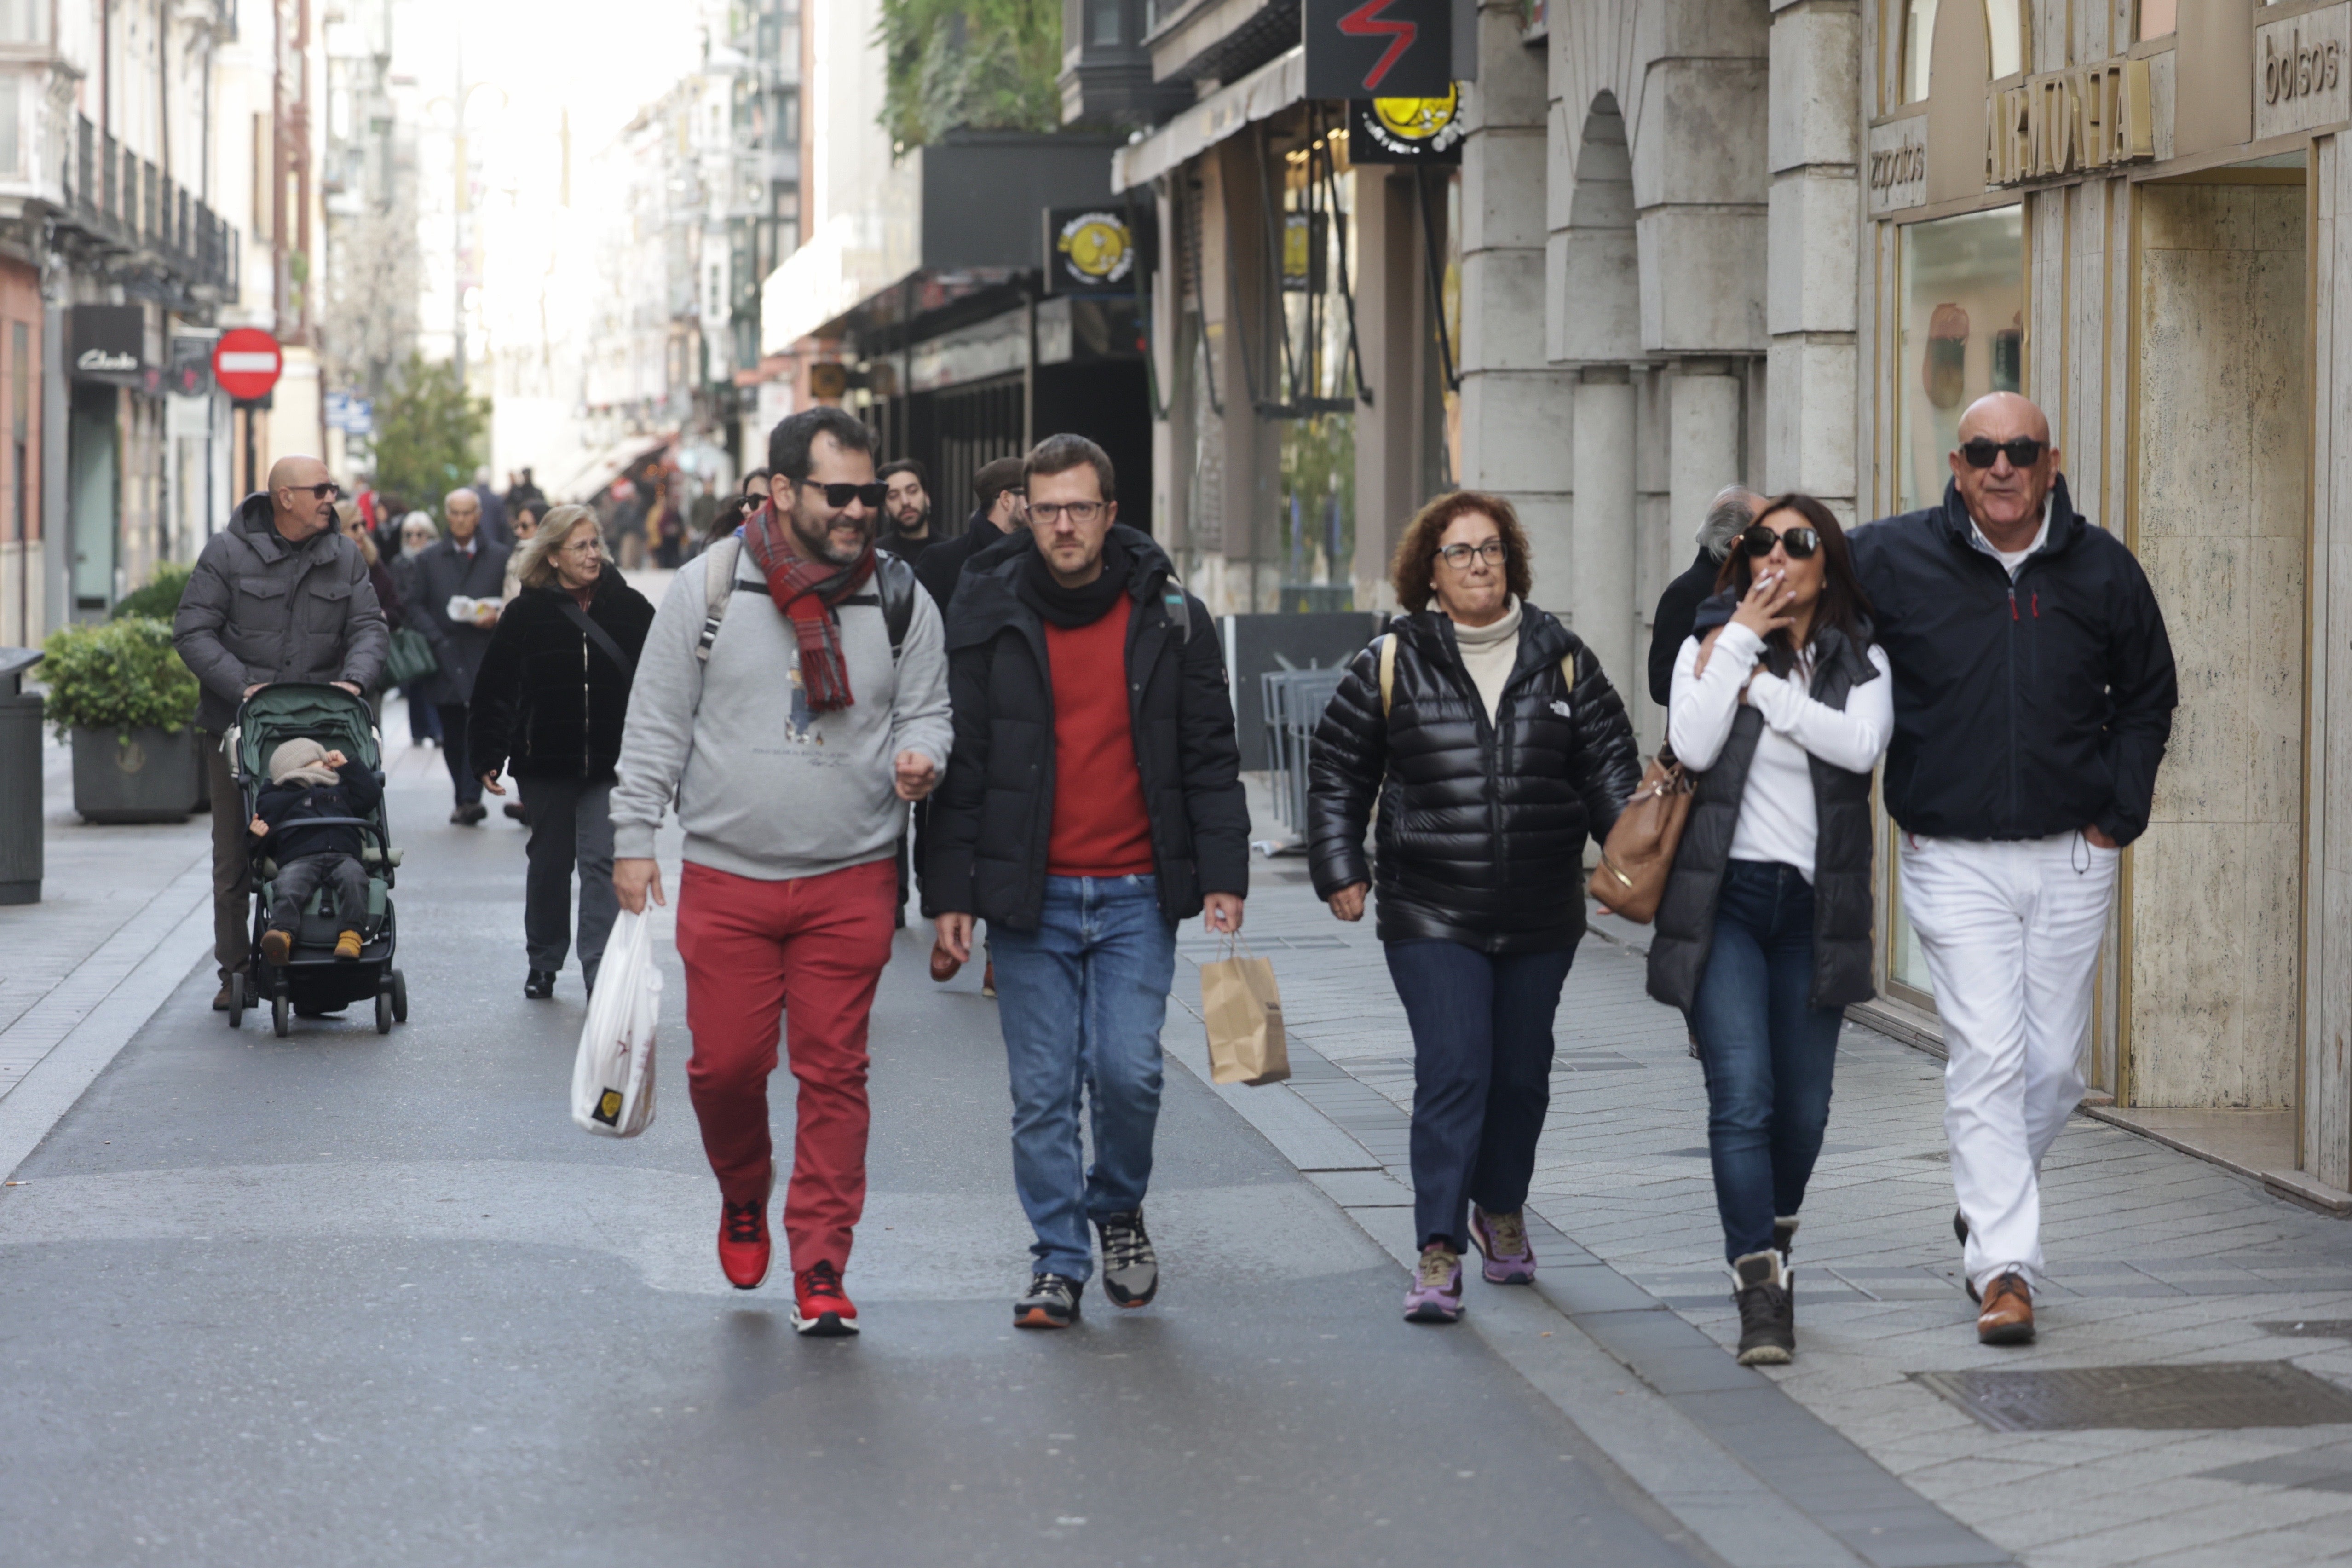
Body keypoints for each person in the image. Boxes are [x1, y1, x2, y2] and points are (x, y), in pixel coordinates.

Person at [1801, 391, 2170, 1346]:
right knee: (1989, 1057)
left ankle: (1986, 1197)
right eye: (1982, 451)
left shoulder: (2103, 568)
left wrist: (2116, 820)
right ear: (1957, 467)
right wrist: (1715, 620)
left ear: (2051, 463)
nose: (2002, 467)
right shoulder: (1891, 557)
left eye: (2020, 450)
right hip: (1951, 856)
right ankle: (2005, 1269)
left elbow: (2147, 694)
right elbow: (1793, 590)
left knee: (2053, 1070)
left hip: (2073, 853)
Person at [610, 406, 952, 1337]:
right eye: (838, 494)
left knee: (835, 1075)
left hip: (853, 874)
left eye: (868, 493)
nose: (858, 510)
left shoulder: (900, 597)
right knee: (724, 1069)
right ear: (786, 490)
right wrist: (633, 838)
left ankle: (822, 1262)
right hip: (728, 875)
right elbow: (656, 721)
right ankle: (744, 1189)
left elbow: (928, 709)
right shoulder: (711, 585)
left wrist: (925, 755)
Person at [926, 434, 1249, 1332]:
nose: (1063, 525)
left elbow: (1210, 753)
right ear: (1024, 514)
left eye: (1079, 508)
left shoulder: (1173, 616)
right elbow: (963, 765)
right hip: (1028, 897)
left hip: (1137, 893)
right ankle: (1058, 1260)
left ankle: (1117, 1205)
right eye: (1046, 510)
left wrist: (1224, 871)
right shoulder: (986, 611)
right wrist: (949, 893)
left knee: (1128, 1072)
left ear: (1110, 512)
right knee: (1042, 1093)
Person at [1307, 491, 1639, 1325]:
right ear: (1431, 571)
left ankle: (1500, 1207)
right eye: (1459, 551)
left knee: (1521, 1076)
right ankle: (1438, 1249)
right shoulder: (1392, 659)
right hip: (1431, 909)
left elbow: (1610, 769)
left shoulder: (1563, 657)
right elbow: (1340, 768)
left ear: (1511, 561)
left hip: (1541, 909)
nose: (1478, 563)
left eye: (1491, 548)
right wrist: (1340, 864)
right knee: (1456, 1067)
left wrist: (1631, 865)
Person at [1648, 493, 1893, 1366]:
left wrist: (1769, 694)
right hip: (1725, 906)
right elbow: (1693, 744)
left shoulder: (1861, 657)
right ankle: (1758, 1283)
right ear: (1743, 559)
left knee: (1805, 1113)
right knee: (1744, 1095)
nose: (1777, 555)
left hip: (1814, 914)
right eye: (1761, 542)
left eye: (1797, 540)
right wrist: (1740, 647)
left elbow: (1858, 747)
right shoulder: (1708, 645)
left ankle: (1773, 1227)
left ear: (1827, 560)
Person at [174, 457, 387, 1011]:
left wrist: (354, 681)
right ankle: (236, 971)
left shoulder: (344, 556)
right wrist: (244, 686)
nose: (331, 497)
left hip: (321, 729)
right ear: (285, 497)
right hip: (240, 732)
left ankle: (315, 959)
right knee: (236, 856)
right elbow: (192, 630)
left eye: (332, 488)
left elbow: (370, 626)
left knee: (331, 838)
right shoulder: (227, 553)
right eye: (321, 489)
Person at [469, 506, 656, 1000]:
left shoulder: (631, 608)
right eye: (581, 547)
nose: (593, 555)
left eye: (596, 544)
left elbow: (661, 683)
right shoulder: (525, 614)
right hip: (545, 759)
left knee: (601, 862)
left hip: (611, 763)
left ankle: (601, 971)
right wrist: (488, 753)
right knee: (551, 862)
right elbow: (495, 687)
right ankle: (544, 958)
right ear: (552, 556)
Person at [915, 455, 1027, 994]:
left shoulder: (1039, 560)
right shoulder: (945, 562)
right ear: (1007, 499)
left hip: (1018, 712)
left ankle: (998, 947)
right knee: (962, 811)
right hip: (956, 705)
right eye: (1032, 496)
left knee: (1012, 825)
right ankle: (955, 912)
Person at [409, 488, 512, 824]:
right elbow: (414, 605)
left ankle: (470, 798)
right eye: (454, 513)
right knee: (453, 732)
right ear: (447, 516)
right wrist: (436, 637)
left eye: (467, 513)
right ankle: (464, 797)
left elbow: (513, 600)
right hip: (447, 655)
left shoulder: (499, 557)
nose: (461, 520)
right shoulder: (429, 559)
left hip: (486, 653)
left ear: (479, 516)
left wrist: (497, 617)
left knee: (481, 726)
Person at [248, 738, 384, 965]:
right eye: (320, 760)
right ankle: (281, 934)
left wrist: (347, 767)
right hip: (300, 857)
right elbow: (266, 842)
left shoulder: (340, 790)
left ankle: (351, 935)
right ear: (298, 766)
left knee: (355, 879)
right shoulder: (276, 798)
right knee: (288, 885)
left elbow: (371, 795)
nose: (328, 762)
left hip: (343, 854)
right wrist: (256, 836)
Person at [1649, 487, 1758, 708]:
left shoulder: (1757, 587)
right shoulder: (1686, 592)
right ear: (1738, 544)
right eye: (1768, 535)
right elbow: (1663, 683)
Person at [913, 455, 1026, 612]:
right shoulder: (941, 562)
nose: (1038, 504)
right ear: (1006, 500)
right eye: (1030, 495)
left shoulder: (1037, 554)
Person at [390, 513, 444, 748]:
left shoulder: (436, 560)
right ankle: (419, 731)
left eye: (419, 534)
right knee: (415, 682)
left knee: (434, 679)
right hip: (410, 629)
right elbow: (398, 595)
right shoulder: (399, 563)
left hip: (433, 627)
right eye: (409, 535)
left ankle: (436, 729)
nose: (414, 539)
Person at [877, 459, 939, 566]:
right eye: (893, 496)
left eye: (912, 491)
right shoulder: (877, 555)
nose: (905, 502)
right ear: (885, 509)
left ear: (927, 497)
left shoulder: (954, 551)